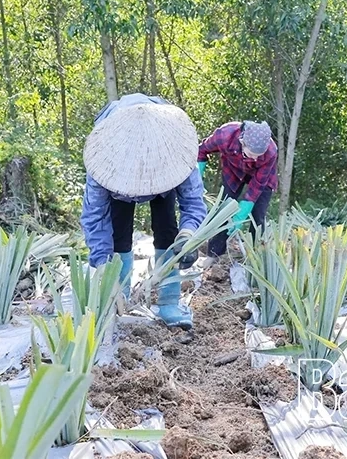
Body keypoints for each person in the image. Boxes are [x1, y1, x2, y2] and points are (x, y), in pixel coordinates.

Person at [81, 93, 207, 329]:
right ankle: (119, 299)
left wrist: (188, 236)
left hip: (164, 183)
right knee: (118, 234)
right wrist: (104, 270)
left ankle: (169, 302)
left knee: (167, 228)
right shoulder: (103, 158)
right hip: (118, 189)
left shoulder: (177, 150)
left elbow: (193, 203)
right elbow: (95, 218)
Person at [197, 120, 277, 267]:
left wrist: (243, 211)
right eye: (252, 154)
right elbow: (201, 150)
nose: (255, 159)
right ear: (242, 142)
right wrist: (197, 177)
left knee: (258, 216)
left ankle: (255, 258)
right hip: (233, 172)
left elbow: (257, 185)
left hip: (262, 179)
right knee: (224, 209)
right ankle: (213, 254)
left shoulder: (271, 151)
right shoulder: (224, 135)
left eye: (259, 155)